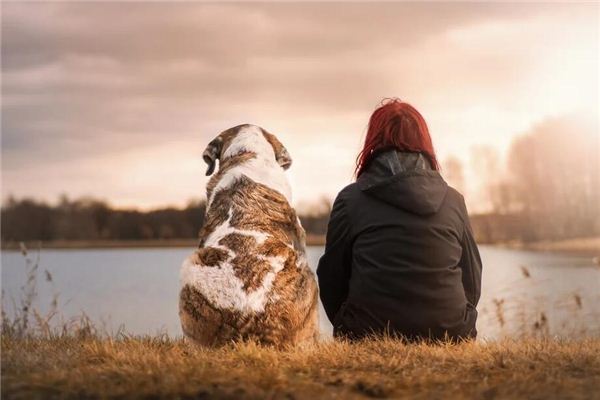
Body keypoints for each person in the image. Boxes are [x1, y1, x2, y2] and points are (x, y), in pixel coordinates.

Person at [317, 98, 482, 342]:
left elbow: (331, 277)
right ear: (424, 142)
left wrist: (347, 324)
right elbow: (472, 277)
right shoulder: (453, 200)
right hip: (450, 333)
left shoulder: (350, 200)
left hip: (366, 333)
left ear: (373, 141)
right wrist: (457, 320)